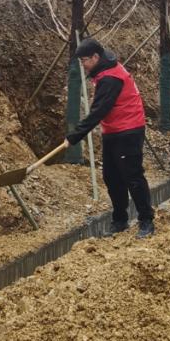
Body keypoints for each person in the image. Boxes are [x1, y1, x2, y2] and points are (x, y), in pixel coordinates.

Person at [65, 38, 156, 239]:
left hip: (128, 129)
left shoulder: (110, 78)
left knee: (132, 176)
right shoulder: (105, 68)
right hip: (113, 130)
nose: (83, 65)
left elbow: (99, 111)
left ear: (96, 57)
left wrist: (75, 136)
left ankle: (146, 220)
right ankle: (120, 220)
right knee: (112, 177)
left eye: (84, 61)